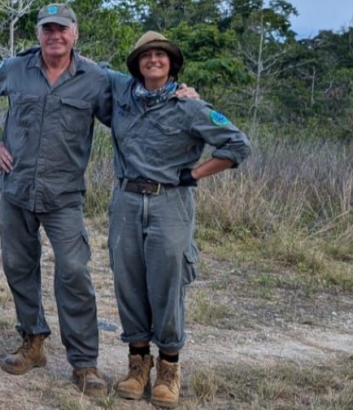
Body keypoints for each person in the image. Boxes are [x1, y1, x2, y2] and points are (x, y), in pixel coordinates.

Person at [0, 3, 200, 397]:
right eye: (47, 29)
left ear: (75, 34)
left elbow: (141, 95)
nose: (54, 36)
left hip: (64, 196)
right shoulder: (14, 68)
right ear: (38, 33)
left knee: (74, 274)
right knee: (18, 267)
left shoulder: (98, 79)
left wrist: (178, 94)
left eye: (62, 29)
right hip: (17, 189)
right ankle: (32, 342)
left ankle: (84, 363)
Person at [101, 31, 251, 408]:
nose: (154, 59)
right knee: (128, 280)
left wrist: (194, 174)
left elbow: (237, 145)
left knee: (167, 285)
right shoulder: (122, 95)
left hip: (170, 202)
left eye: (161, 55)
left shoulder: (190, 107)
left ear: (171, 63)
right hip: (126, 200)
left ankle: (169, 369)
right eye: (146, 55)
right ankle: (137, 367)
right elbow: (85, 69)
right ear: (136, 64)